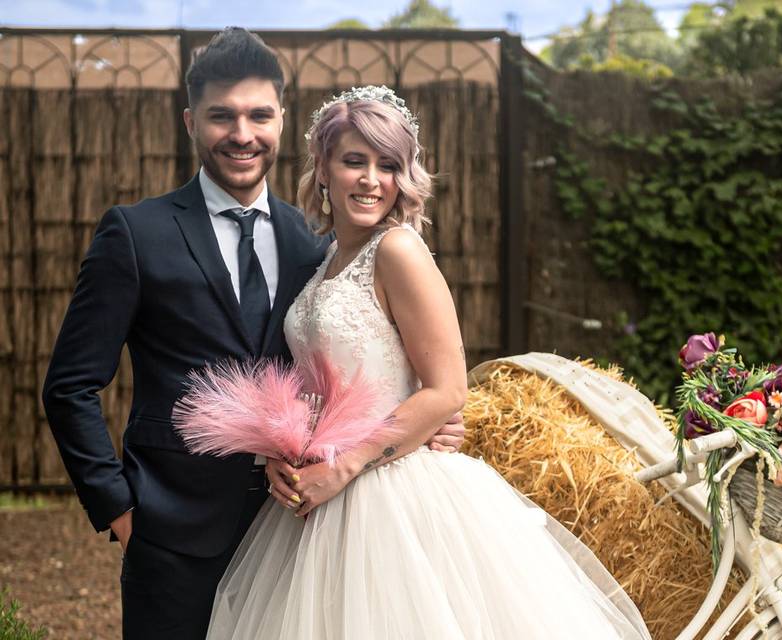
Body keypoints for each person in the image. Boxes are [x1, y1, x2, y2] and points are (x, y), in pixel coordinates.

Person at [41, 29, 462, 640]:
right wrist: (120, 510)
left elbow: (354, 364)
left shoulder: (317, 242)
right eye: (222, 116)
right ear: (191, 121)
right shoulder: (136, 233)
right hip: (173, 532)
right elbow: (70, 386)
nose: (243, 133)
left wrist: (426, 415)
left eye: (259, 115)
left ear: (282, 122)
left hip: (303, 528)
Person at [204, 86, 652, 639]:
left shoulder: (398, 251)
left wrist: (343, 468)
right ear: (322, 169)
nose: (371, 179)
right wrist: (288, 454)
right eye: (354, 161)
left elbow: (446, 390)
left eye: (388, 165)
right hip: (316, 499)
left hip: (388, 492)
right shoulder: (326, 261)